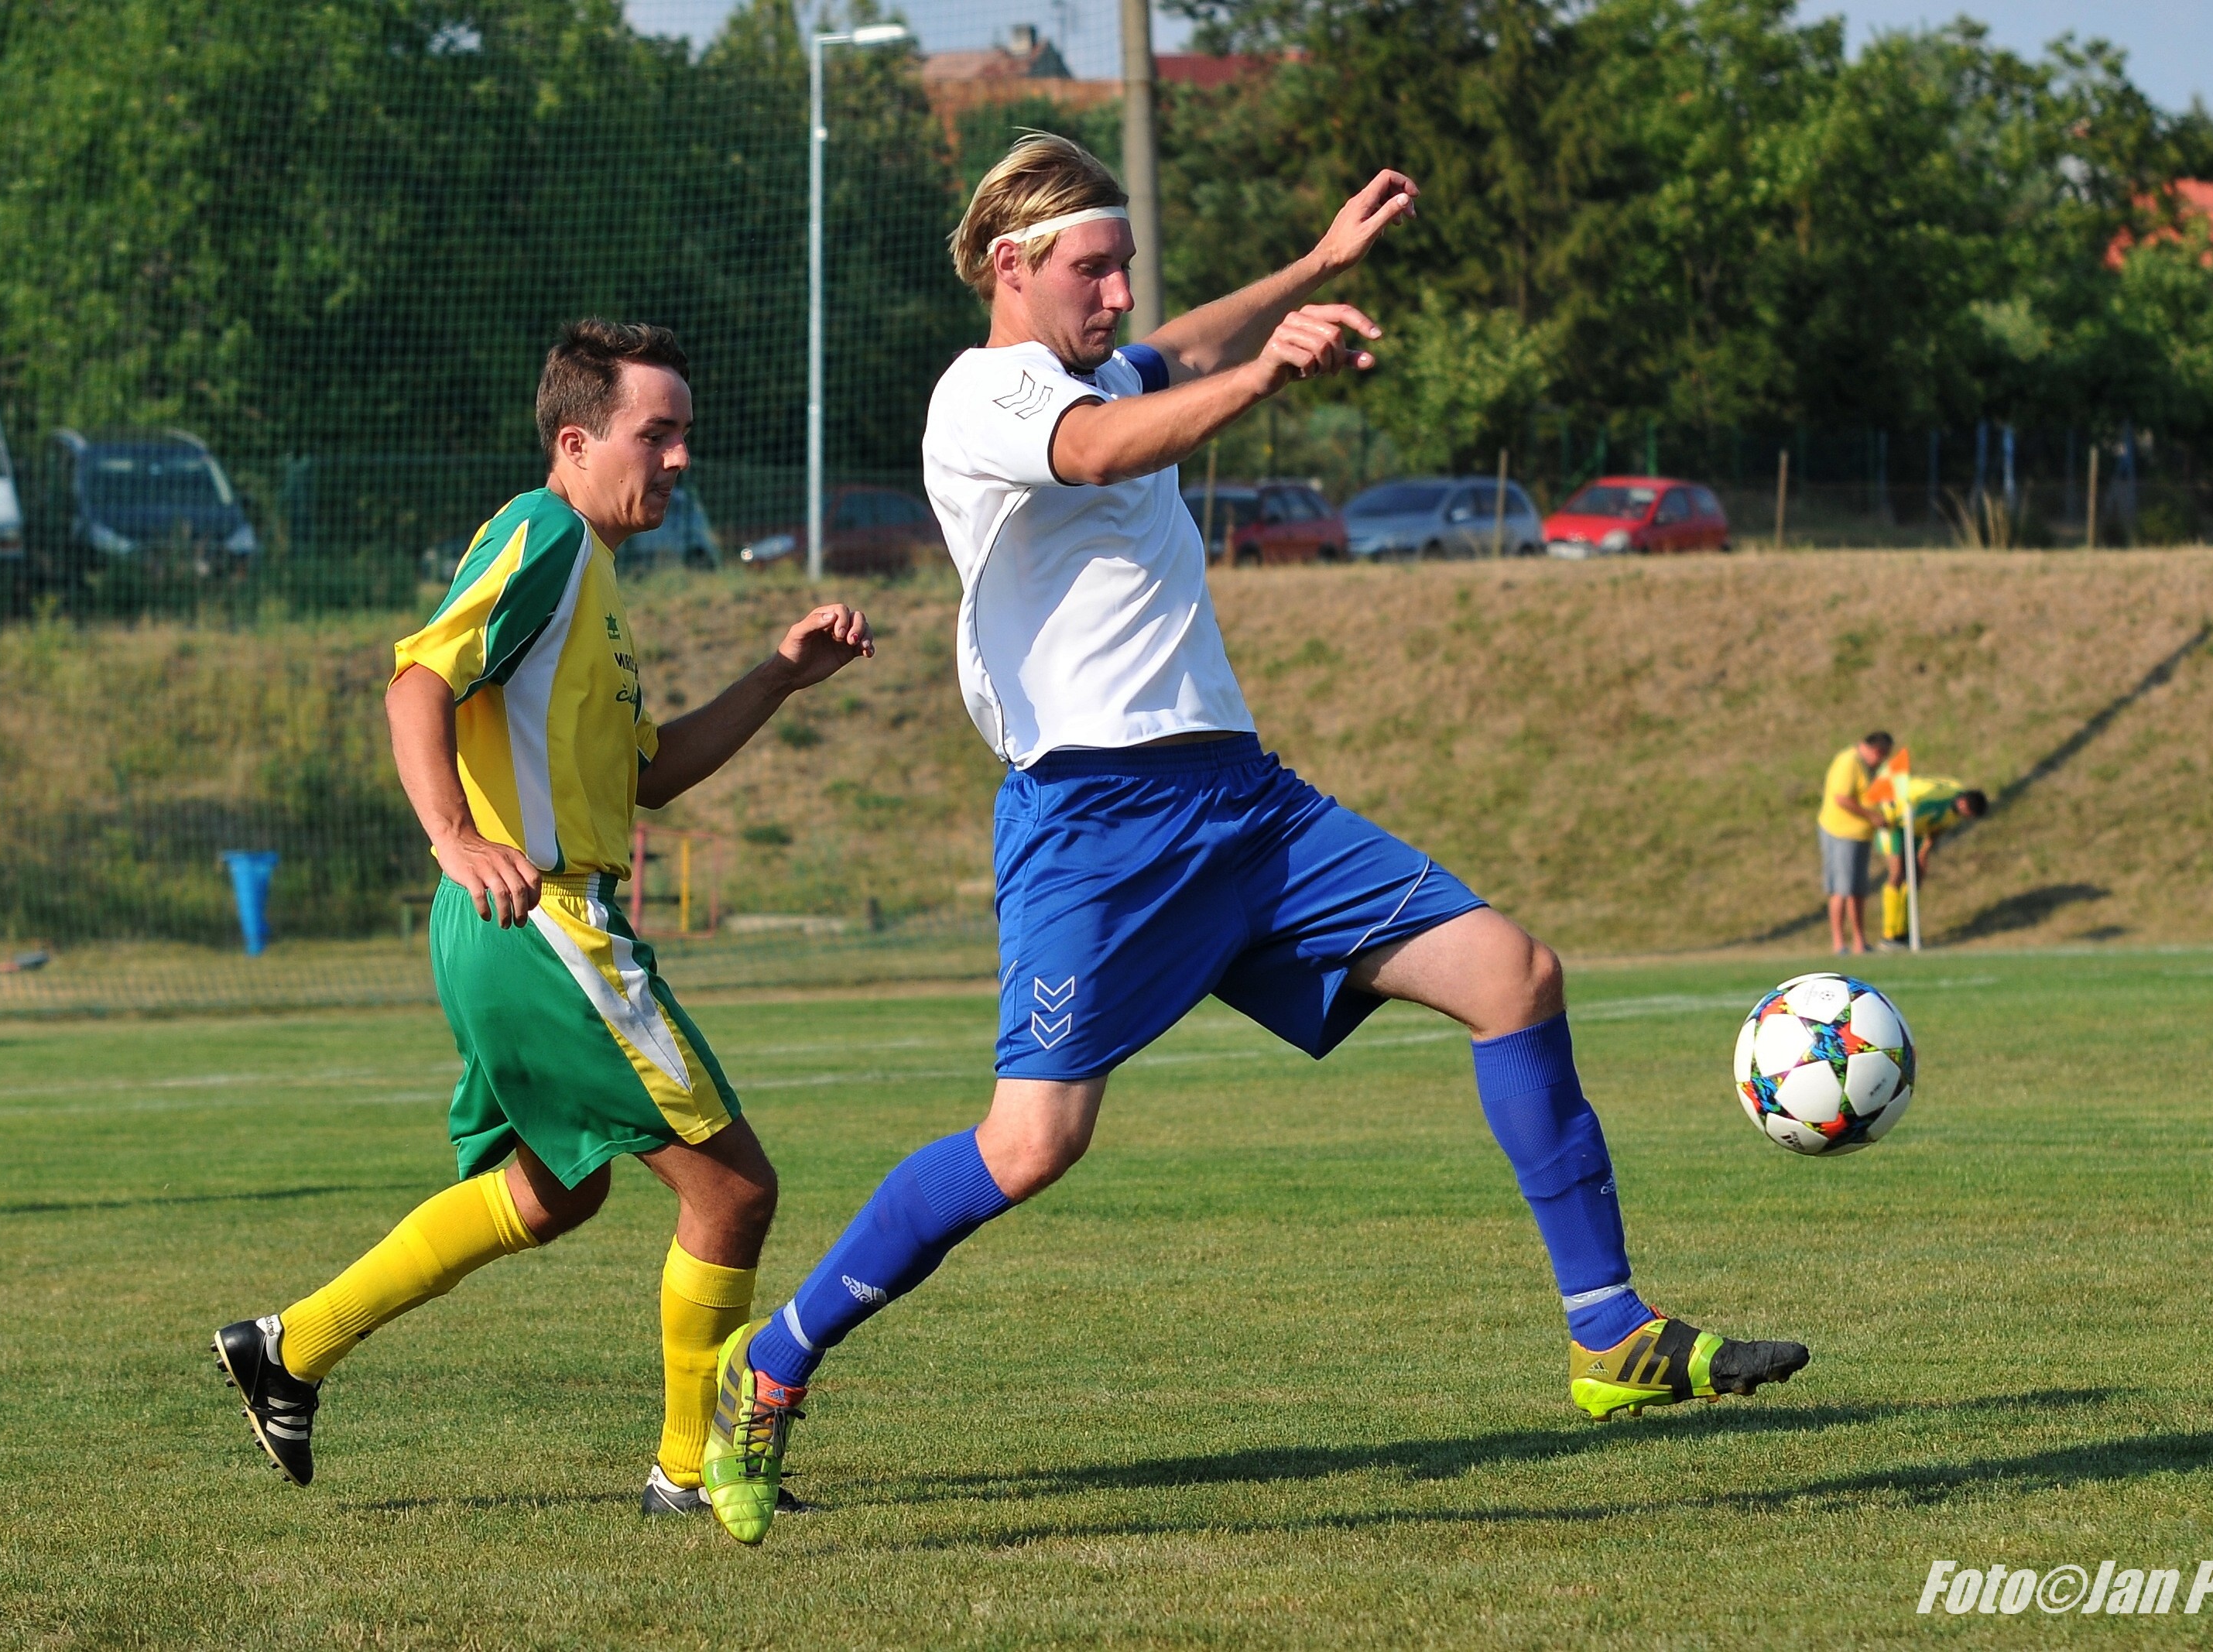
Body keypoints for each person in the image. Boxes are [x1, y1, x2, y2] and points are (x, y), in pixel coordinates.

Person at [693, 135, 1809, 1545]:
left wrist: (1315, 267)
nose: (1118, 295)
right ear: (1011, 265)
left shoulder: (1105, 365)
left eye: (1124, 268)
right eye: (1093, 270)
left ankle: (1610, 1332)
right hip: (1095, 825)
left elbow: (1175, 354)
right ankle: (769, 1365)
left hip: (1247, 804)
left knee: (1513, 974)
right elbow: (1103, 447)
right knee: (1030, 1143)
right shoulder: (985, 394)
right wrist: (1269, 371)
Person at [212, 320, 872, 1514]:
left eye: (685, 435)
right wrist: (453, 834)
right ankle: (689, 1469)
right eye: (655, 434)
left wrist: (778, 676)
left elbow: (651, 773)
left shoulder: (591, 574)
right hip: (538, 914)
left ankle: (289, 1347)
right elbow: (419, 679)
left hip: (508, 923)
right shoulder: (547, 532)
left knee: (557, 1189)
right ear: (576, 442)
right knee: (733, 1190)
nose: (679, 458)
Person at [1877, 778, 1989, 948]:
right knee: (1897, 873)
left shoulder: (1956, 809)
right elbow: (1905, 802)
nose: (1967, 818)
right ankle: (1890, 934)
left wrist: (1923, 853)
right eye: (1969, 814)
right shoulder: (1937, 801)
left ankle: (1905, 931)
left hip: (1915, 830)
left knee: (1914, 878)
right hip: (1895, 822)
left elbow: (1936, 829)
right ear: (1963, 804)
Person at [1817, 732, 1893, 955]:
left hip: (1860, 835)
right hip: (1841, 833)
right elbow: (1842, 798)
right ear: (1875, 750)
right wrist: (1872, 816)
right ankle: (1839, 943)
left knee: (1858, 890)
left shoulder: (1867, 767)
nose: (1882, 761)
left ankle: (1860, 941)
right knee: (1842, 888)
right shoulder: (1849, 761)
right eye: (1883, 755)